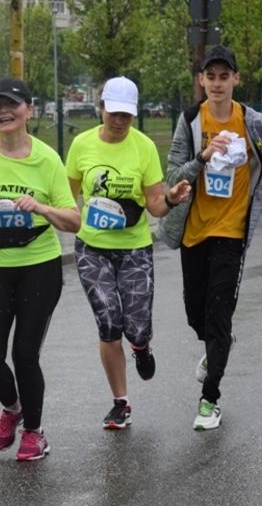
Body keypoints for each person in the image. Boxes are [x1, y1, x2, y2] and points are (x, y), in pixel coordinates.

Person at [160, 45, 262, 431]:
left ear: (236, 79)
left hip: (231, 232)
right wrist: (204, 156)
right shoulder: (191, 120)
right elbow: (174, 176)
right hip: (194, 231)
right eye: (211, 77)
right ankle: (215, 349)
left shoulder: (251, 120)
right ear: (202, 80)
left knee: (219, 314)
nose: (217, 84)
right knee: (197, 315)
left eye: (225, 77)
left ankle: (210, 399)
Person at [0, 78, 80, 461]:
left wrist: (42, 208)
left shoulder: (47, 159)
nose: (2, 112)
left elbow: (74, 220)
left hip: (38, 267)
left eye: (11, 104)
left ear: (29, 109)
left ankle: (34, 432)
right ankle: (13, 409)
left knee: (25, 354)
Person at [66, 76, 191, 430]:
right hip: (92, 249)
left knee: (135, 327)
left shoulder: (144, 147)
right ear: (101, 108)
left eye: (127, 116)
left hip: (134, 249)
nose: (120, 121)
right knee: (108, 323)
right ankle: (120, 402)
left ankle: (141, 346)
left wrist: (170, 199)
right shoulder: (81, 145)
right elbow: (67, 194)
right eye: (114, 113)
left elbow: (154, 204)